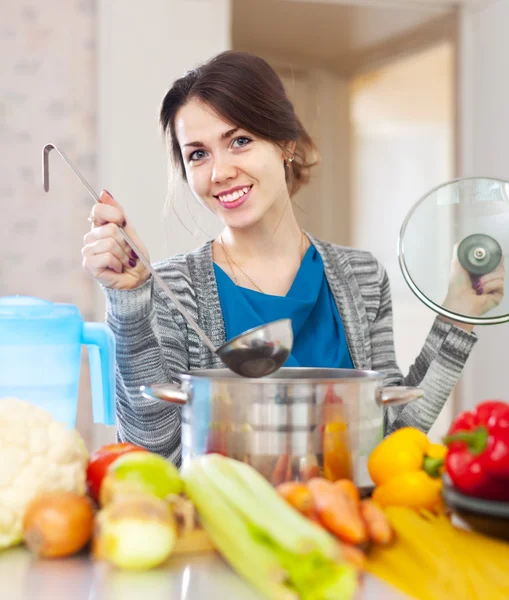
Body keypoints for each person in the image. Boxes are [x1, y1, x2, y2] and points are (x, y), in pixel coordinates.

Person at [82, 51, 504, 465]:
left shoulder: (361, 276)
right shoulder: (170, 288)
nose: (219, 172)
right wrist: (129, 303)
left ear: (286, 143)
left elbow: (390, 441)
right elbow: (151, 458)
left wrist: (457, 316)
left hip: (345, 526)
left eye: (240, 141)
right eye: (198, 154)